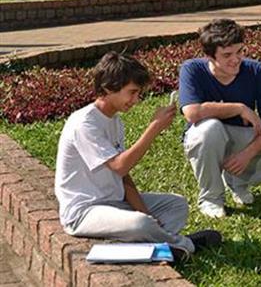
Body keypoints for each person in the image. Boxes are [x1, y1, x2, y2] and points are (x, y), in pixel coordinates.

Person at [54, 52, 221, 260]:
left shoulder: (115, 121)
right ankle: (184, 245)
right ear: (108, 88)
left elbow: (123, 178)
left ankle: (149, 245)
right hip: (83, 212)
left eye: (138, 93)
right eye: (131, 92)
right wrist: (154, 127)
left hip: (114, 202)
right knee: (139, 224)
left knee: (176, 205)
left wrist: (147, 213)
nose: (136, 100)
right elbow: (120, 166)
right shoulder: (84, 123)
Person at [179, 18, 261, 218]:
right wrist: (238, 108)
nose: (236, 59)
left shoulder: (256, 71)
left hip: (242, 137)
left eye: (240, 51)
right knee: (208, 129)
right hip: (208, 139)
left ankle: (236, 180)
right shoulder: (192, 69)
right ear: (209, 56)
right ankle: (211, 198)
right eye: (227, 55)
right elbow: (192, 112)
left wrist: (247, 154)